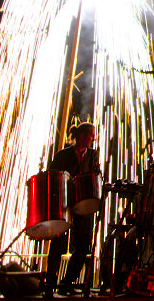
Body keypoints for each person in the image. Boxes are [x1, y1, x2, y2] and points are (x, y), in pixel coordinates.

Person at [45, 122, 101, 296]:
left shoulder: (93, 155)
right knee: (57, 244)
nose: (93, 138)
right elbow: (51, 175)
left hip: (83, 204)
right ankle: (50, 282)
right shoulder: (63, 155)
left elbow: (96, 173)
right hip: (64, 204)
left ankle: (67, 281)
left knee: (83, 245)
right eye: (91, 135)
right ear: (83, 136)